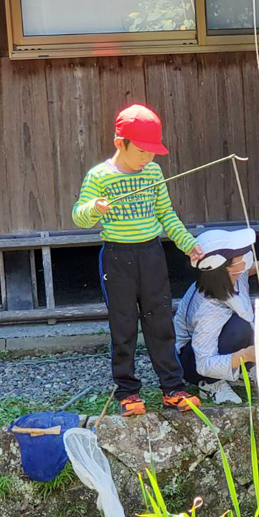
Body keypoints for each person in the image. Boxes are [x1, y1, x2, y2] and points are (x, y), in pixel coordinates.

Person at [73, 104, 203, 417]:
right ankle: (127, 392)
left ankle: (173, 387)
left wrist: (188, 244)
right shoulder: (100, 176)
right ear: (121, 143)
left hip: (151, 253)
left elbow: (165, 214)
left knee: (160, 322)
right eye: (142, 151)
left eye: (152, 152)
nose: (148, 158)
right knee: (124, 325)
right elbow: (79, 216)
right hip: (117, 256)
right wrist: (94, 207)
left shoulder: (153, 172)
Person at [174, 228, 259, 405]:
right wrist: (246, 355)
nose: (246, 254)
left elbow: (245, 271)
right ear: (225, 268)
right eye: (240, 254)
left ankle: (239, 372)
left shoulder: (229, 276)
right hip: (194, 361)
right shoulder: (209, 308)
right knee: (241, 328)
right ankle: (211, 384)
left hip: (218, 345)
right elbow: (204, 363)